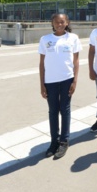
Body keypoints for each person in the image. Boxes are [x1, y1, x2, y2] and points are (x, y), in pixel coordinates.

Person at [38, 13, 82, 159]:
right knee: (52, 111)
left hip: (66, 79)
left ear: (67, 22)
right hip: (50, 81)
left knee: (65, 109)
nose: (59, 24)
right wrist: (42, 85)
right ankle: (54, 141)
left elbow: (76, 61)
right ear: (52, 23)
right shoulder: (45, 39)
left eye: (62, 22)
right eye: (56, 22)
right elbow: (41, 63)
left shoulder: (73, 38)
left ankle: (64, 141)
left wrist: (74, 81)